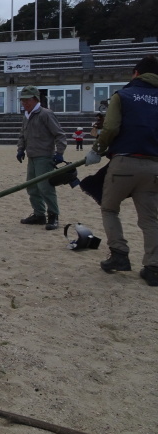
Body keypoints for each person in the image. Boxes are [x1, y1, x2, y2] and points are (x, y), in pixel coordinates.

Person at [85, 55, 158, 286]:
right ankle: (153, 267)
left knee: (109, 208)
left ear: (136, 73)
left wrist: (97, 149)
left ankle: (119, 255)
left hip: (125, 162)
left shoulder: (123, 95)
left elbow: (111, 127)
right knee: (150, 219)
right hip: (154, 166)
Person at [16, 85, 67, 231]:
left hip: (44, 157)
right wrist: (20, 149)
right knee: (31, 187)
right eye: (22, 101)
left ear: (35, 99)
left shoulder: (45, 114)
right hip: (32, 157)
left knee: (45, 187)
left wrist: (60, 153)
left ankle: (53, 216)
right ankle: (39, 214)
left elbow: (59, 134)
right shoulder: (26, 116)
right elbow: (22, 135)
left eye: (27, 100)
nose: (24, 103)